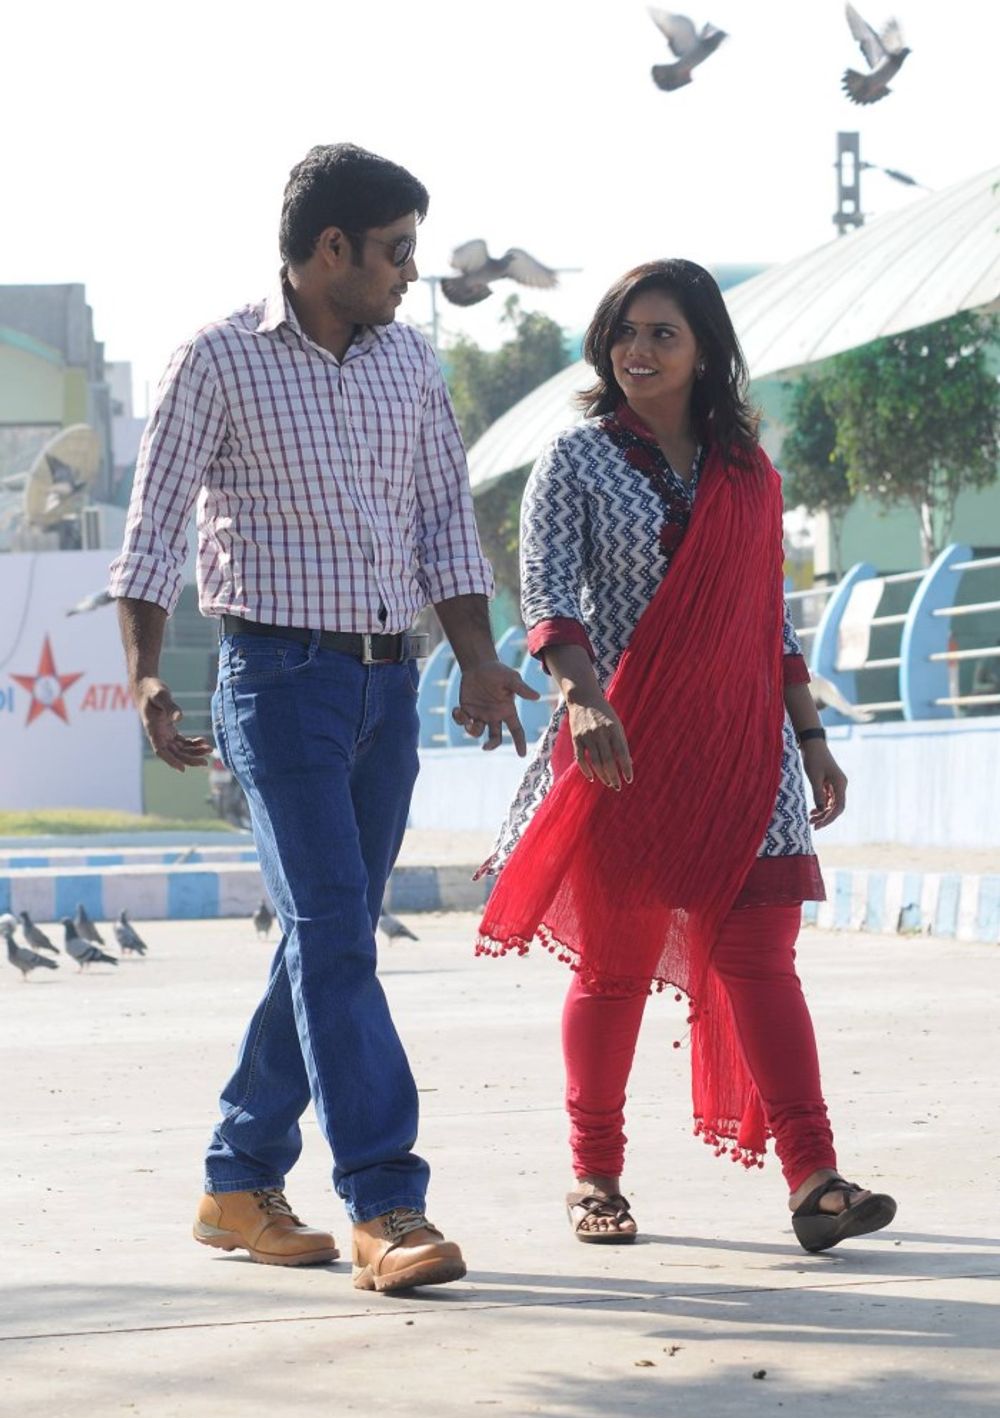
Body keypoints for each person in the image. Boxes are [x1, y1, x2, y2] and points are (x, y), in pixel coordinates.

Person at [109, 143, 536, 1293]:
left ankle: (237, 1178)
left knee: (323, 934)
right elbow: (151, 533)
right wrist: (144, 674)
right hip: (278, 683)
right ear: (330, 248)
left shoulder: (410, 362)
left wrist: (477, 660)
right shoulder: (217, 358)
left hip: (387, 690)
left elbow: (444, 521)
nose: (410, 272)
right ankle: (386, 1204)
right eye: (395, 251)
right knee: (339, 934)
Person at [476, 260, 897, 1255]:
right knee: (616, 966)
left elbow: (769, 620)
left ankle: (814, 1179)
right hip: (623, 742)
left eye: (662, 333)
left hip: (747, 746)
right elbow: (548, 599)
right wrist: (582, 699)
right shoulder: (575, 460)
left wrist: (811, 738)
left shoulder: (748, 473)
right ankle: (594, 1174)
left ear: (705, 348)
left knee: (761, 957)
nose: (638, 350)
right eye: (624, 332)